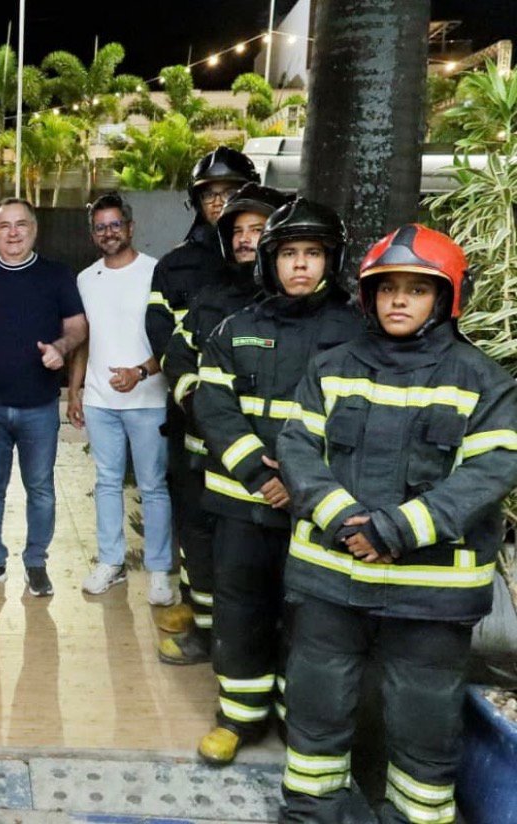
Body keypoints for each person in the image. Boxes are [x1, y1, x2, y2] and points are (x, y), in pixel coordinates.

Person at [277, 225, 517, 824]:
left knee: (424, 720)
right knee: (318, 708)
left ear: (445, 298)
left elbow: (489, 473)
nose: (399, 301)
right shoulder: (330, 368)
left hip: (430, 597)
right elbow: (297, 450)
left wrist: (395, 530)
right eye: (388, 289)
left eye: (417, 289)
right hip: (332, 581)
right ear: (369, 296)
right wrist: (346, 520)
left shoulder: (484, 382)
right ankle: (311, 813)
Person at [190, 199, 360, 766]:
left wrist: (300, 483)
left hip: (316, 512)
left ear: (331, 261)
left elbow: (362, 425)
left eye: (313, 254)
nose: (301, 266)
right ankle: (238, 716)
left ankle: (297, 722)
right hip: (245, 504)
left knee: (309, 618)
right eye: (289, 254)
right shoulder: (237, 328)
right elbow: (213, 406)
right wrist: (261, 475)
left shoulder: (359, 334)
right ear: (270, 261)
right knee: (241, 610)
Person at [158, 182, 291, 665]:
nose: (243, 238)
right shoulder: (213, 297)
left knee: (249, 570)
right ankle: (207, 632)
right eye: (237, 230)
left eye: (256, 229)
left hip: (268, 469)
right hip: (203, 452)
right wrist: (195, 399)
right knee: (201, 545)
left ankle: (242, 649)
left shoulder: (298, 310)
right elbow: (177, 354)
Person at [144, 146, 260, 646]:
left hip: (257, 429)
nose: (220, 202)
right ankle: (200, 616)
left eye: (229, 192)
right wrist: (191, 392)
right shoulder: (177, 265)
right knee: (195, 524)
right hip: (191, 420)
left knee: (244, 538)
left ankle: (237, 635)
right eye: (211, 194)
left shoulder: (270, 264)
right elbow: (162, 331)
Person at [0, 198, 87, 597]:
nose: (13, 233)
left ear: (34, 229)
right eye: (4, 226)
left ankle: (36, 562)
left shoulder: (57, 276)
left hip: (40, 405)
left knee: (41, 489)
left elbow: (78, 327)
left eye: (21, 225)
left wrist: (60, 349)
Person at [67, 193, 173, 604]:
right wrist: (75, 390)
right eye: (100, 227)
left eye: (115, 225)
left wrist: (141, 372)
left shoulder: (155, 273)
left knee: (153, 486)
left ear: (129, 227)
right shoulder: (85, 279)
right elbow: (82, 340)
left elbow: (171, 339)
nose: (108, 233)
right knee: (107, 483)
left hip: (148, 400)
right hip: (99, 402)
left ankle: (160, 570)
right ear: (93, 234)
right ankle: (110, 562)